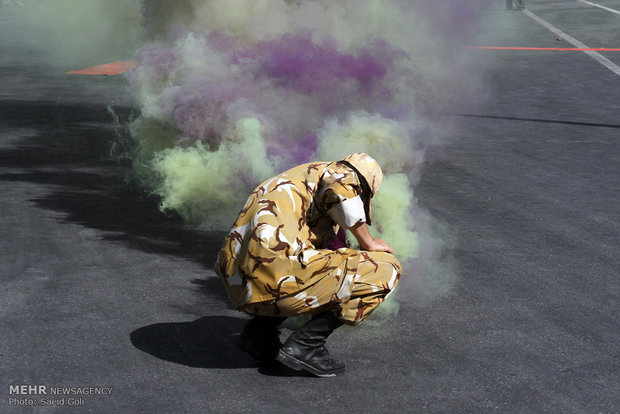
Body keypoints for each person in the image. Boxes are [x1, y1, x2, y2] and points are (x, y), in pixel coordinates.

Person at [215, 152, 402, 377]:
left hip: (239, 285)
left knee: (310, 263)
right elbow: (340, 189)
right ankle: (308, 345)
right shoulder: (341, 175)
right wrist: (368, 242)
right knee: (386, 268)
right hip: (272, 277)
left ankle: (260, 333)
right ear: (362, 188)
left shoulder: (300, 179)